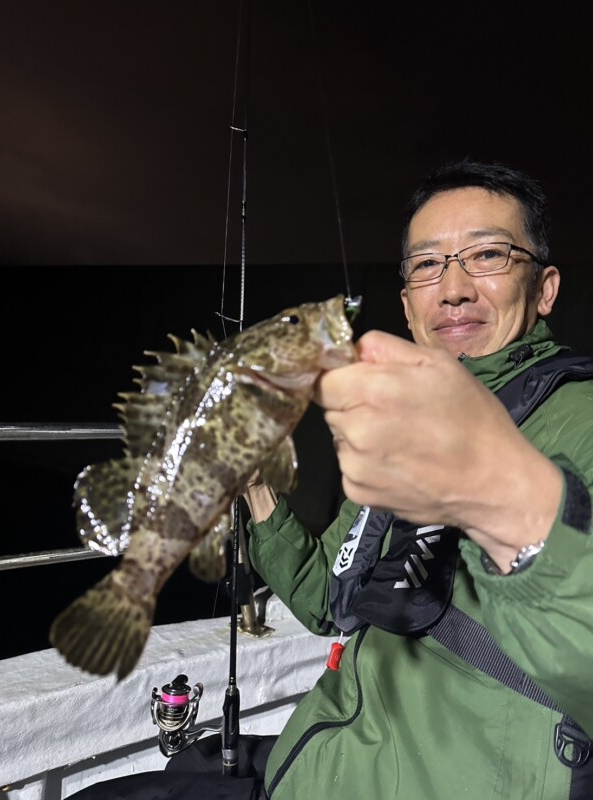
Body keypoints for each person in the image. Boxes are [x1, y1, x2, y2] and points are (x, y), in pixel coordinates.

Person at [242, 159, 593, 799]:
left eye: (487, 255)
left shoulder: (583, 418)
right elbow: (330, 601)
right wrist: (256, 489)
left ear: (544, 288)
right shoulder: (404, 427)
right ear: (407, 307)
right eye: (428, 265)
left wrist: (507, 498)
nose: (453, 289)